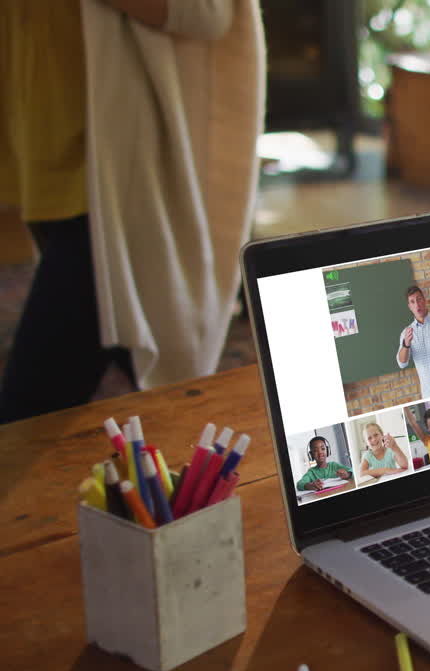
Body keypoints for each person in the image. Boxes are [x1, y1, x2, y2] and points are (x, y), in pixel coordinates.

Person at [0, 0, 265, 423]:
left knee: (27, 410)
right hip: (47, 161)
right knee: (136, 379)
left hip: (116, 183)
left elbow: (208, 11)